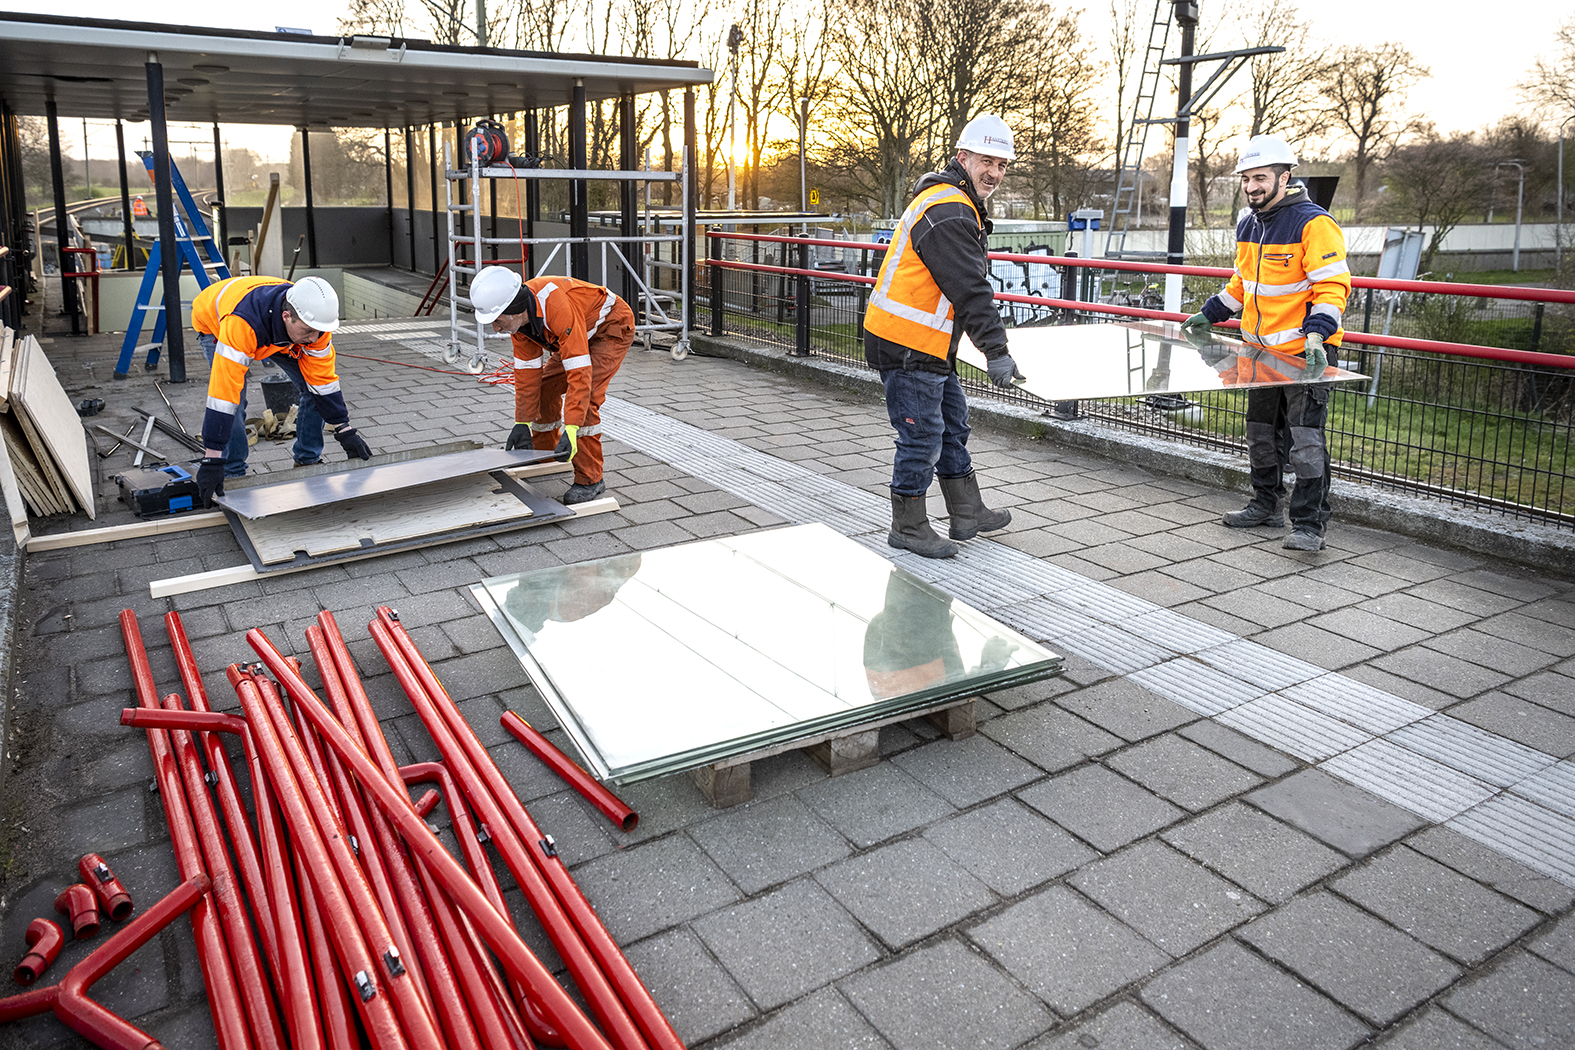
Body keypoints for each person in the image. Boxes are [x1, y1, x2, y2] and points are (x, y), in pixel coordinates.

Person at [863, 113, 1024, 560]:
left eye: (1002, 165)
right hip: (907, 343)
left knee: (953, 423)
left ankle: (967, 512)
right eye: (986, 161)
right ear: (963, 158)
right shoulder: (950, 211)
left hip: (926, 341)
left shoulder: (953, 201)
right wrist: (996, 351)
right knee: (922, 437)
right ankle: (908, 527)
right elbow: (970, 288)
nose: (994, 173)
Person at [1182, 134, 1350, 552]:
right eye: (1246, 179)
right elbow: (1243, 284)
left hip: (1306, 353)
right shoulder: (1249, 224)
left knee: (1305, 442)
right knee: (1260, 434)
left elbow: (1332, 287)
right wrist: (1210, 314)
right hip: (1259, 352)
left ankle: (1310, 525)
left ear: (1284, 177)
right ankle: (1265, 504)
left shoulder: (1314, 224)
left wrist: (1317, 334)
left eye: (1260, 178)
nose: (1251, 186)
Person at [193, 275, 372, 506]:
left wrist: (344, 429)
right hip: (217, 323)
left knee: (312, 390)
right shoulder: (243, 324)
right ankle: (233, 473)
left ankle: (307, 461)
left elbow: (322, 383)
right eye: (309, 331)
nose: (314, 339)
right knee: (234, 402)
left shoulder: (314, 326)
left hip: (277, 331)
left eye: (319, 332)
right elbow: (224, 394)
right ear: (287, 316)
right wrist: (212, 458)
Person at [469, 265, 635, 505]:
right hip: (578, 331)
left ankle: (590, 479)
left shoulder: (555, 306)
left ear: (514, 311)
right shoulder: (520, 325)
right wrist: (522, 422)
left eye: (497, 320)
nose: (496, 328)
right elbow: (527, 376)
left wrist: (572, 427)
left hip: (610, 328)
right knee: (546, 388)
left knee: (586, 398)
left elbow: (579, 374)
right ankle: (546, 454)